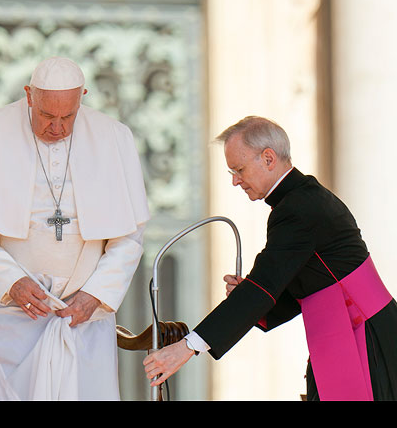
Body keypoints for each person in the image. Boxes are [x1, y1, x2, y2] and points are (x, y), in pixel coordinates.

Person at [144, 115, 397, 401]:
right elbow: (296, 286)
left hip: (364, 337)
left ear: (268, 158)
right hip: (348, 329)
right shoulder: (302, 199)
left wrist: (187, 347)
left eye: (238, 169)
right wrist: (254, 301)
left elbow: (263, 285)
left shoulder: (298, 208)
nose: (235, 181)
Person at [0, 56, 150, 400]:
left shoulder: (114, 137)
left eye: (68, 117)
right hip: (14, 312)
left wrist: (96, 294)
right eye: (47, 116)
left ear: (82, 97)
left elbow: (128, 236)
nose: (57, 128)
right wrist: (11, 282)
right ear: (29, 95)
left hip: (83, 313)